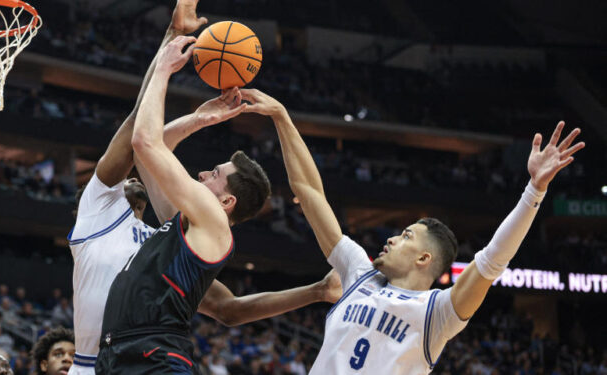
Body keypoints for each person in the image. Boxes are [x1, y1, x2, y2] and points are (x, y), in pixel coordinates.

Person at [71, 2, 339, 374]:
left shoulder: (210, 221)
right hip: (123, 356)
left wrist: (165, 69)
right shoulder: (180, 227)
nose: (201, 175)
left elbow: (145, 142)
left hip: (154, 355)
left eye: (214, 173)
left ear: (226, 201)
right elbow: (150, 143)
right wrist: (197, 119)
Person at [241, 88, 585, 374]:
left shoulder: (437, 313)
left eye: (406, 235)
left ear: (425, 257)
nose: (391, 238)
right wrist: (282, 118)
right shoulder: (359, 273)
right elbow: (310, 192)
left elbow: (492, 261)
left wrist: (534, 191)